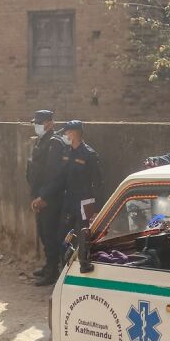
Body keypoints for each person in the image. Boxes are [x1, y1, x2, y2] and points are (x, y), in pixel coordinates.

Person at [34, 120, 101, 277]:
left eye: (67, 132)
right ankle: (64, 271)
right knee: (63, 237)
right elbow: (59, 179)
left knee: (86, 237)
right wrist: (43, 196)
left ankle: (85, 269)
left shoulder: (89, 155)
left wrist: (97, 209)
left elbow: (98, 184)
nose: (65, 135)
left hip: (86, 203)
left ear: (75, 133)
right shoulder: (68, 153)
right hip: (69, 202)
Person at [25, 109, 67, 284]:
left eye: (40, 122)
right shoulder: (42, 142)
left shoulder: (54, 143)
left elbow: (55, 175)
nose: (37, 126)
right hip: (40, 194)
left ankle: (53, 271)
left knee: (50, 234)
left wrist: (44, 196)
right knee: (43, 232)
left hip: (50, 198)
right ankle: (48, 265)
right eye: (36, 122)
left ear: (50, 123)